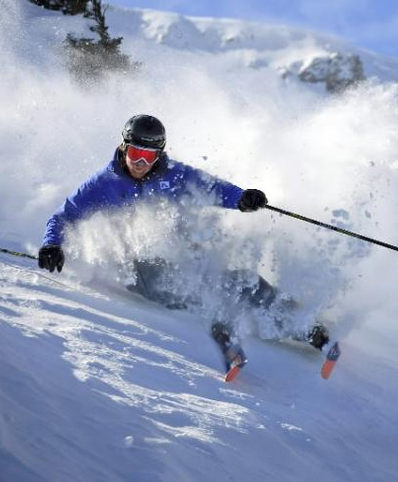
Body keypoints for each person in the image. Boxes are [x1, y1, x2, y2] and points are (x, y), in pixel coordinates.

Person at [38, 114, 329, 366]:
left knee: (241, 281)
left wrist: (242, 198)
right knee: (164, 277)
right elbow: (64, 215)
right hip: (136, 265)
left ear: (159, 155)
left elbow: (211, 188)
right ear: (124, 146)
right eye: (136, 153)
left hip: (178, 252)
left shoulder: (173, 175)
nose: (140, 162)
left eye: (149, 156)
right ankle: (217, 315)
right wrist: (52, 244)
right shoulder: (103, 184)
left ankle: (303, 325)